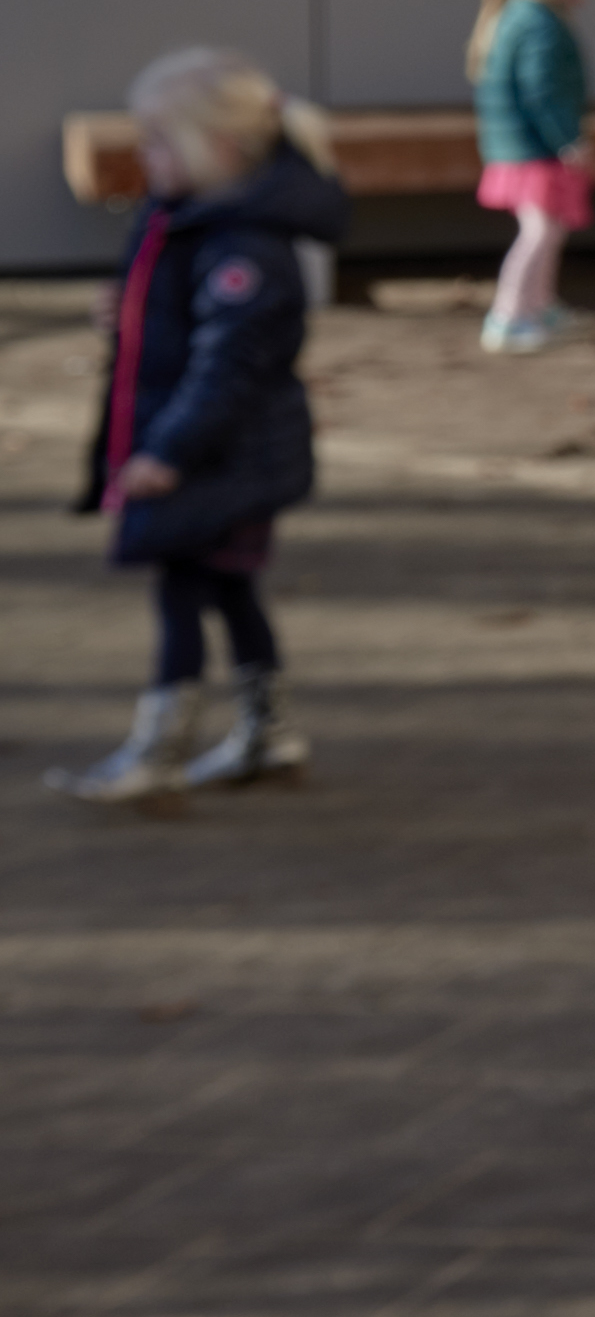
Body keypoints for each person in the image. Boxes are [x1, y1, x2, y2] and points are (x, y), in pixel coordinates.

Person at [51, 50, 351, 804]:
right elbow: (187, 328)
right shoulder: (198, 222)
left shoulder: (242, 244)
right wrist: (125, 317)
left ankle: (161, 747)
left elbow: (228, 366)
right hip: (224, 453)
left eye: (155, 139)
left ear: (215, 147)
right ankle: (266, 730)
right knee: (229, 586)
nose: (142, 155)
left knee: (182, 589)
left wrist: (168, 453)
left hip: (218, 457)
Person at [469, 0, 595, 356]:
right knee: (540, 229)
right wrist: (568, 140)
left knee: (550, 227)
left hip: (525, 145)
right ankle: (507, 317)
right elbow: (542, 92)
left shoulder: (523, 14)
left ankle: (539, 307)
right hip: (532, 148)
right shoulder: (537, 23)